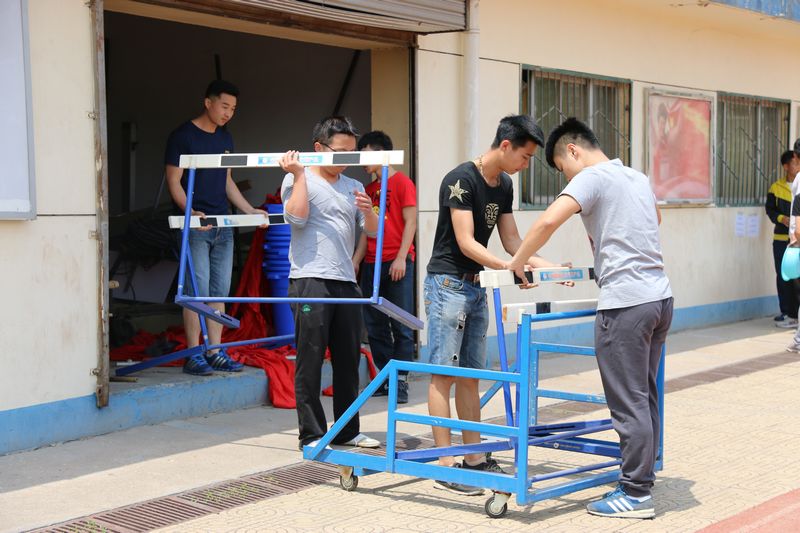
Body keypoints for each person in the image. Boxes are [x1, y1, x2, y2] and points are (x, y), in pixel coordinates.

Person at [507, 118, 672, 519]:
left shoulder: (591, 177)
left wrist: (517, 262)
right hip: (659, 298)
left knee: (629, 401)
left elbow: (548, 220)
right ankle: (641, 477)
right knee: (644, 396)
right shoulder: (635, 177)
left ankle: (635, 493)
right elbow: (656, 220)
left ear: (573, 150)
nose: (567, 177)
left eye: (562, 168)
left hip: (626, 304)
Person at [425, 115, 564, 496]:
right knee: (442, 374)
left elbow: (512, 240)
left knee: (472, 375)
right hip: (448, 284)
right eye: (525, 156)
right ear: (505, 146)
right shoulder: (460, 180)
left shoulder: (503, 185)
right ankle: (446, 464)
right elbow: (466, 241)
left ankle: (473, 457)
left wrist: (546, 266)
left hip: (477, 285)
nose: (526, 165)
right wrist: (509, 268)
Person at [278, 116, 380, 450]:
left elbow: (373, 231)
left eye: (352, 153)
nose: (346, 159)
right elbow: (296, 217)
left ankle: (348, 430)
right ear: (319, 148)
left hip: (346, 280)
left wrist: (369, 212)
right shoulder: (298, 177)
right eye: (340, 152)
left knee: (348, 360)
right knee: (310, 359)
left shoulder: (353, 185)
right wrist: (298, 175)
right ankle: (311, 433)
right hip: (310, 278)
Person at [165, 80, 267, 376]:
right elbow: (174, 181)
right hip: (196, 227)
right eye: (224, 106)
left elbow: (227, 180)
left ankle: (215, 351)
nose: (228, 113)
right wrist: (190, 213)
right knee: (195, 291)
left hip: (223, 225)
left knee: (219, 291)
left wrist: (248, 210)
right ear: (208, 102)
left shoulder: (226, 137)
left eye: (233, 109)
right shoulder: (182, 136)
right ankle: (194, 353)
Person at [353, 131, 417, 404]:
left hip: (396, 261)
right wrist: (356, 260)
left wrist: (402, 257)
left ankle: (400, 381)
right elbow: (367, 231)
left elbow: (411, 221)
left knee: (401, 323)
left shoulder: (402, 183)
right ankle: (384, 377)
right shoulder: (368, 191)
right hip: (372, 263)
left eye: (366, 154)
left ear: (383, 154)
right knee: (375, 323)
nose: (362, 161)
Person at [765, 150, 798, 328]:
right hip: (780, 239)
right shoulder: (776, 188)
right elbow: (770, 210)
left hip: (797, 240)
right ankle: (786, 312)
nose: (798, 166)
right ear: (786, 166)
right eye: (795, 163)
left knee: (796, 277)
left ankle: (795, 314)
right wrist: (780, 218)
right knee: (783, 275)